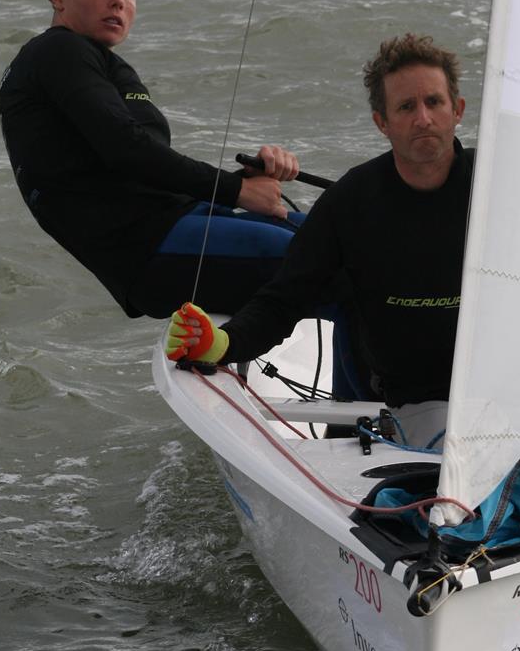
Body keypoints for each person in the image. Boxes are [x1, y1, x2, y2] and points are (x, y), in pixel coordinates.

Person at [167, 33, 474, 446]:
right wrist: (222, 343)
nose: (423, 118)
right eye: (406, 106)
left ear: (457, 110)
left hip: (510, 393)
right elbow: (286, 297)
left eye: (434, 102)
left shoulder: (500, 182)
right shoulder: (352, 201)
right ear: (381, 123)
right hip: (415, 404)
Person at [0, 0, 302, 319]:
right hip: (148, 250)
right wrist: (235, 190)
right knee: (321, 259)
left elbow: (148, 161)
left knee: (326, 234)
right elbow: (125, 148)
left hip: (181, 220)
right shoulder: (55, 51)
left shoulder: (110, 67)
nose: (118, 0)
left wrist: (248, 178)